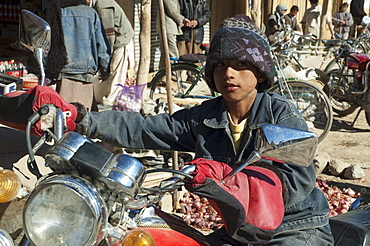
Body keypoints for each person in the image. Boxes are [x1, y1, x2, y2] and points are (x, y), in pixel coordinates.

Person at [69, 14, 334, 245]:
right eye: (220, 65)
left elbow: (298, 179)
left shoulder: (280, 114)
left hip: (295, 228)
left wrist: (237, 181)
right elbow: (146, 129)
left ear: (260, 72)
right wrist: (82, 119)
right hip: (242, 230)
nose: (229, 73)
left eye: (240, 64)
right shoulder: (205, 117)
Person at [43, 0, 110, 112]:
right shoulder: (90, 13)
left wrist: (49, 72)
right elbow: (102, 47)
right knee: (83, 119)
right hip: (85, 75)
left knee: (65, 118)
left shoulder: (56, 11)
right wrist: (105, 70)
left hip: (63, 74)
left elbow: (46, 46)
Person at [88, 0, 136, 109]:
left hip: (120, 40)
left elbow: (109, 35)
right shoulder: (98, 5)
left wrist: (106, 56)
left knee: (116, 71)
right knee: (111, 71)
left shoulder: (103, 5)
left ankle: (109, 103)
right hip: (115, 41)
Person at [159, 0, 190, 68]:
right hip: (167, 27)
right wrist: (182, 19)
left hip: (172, 28)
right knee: (172, 52)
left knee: (166, 52)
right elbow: (172, 10)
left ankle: (162, 73)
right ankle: (173, 72)